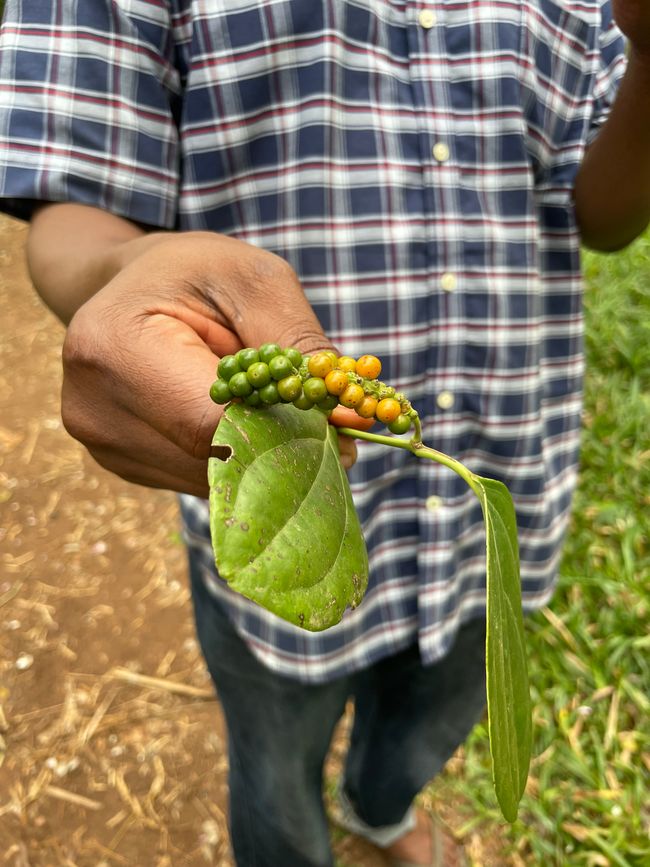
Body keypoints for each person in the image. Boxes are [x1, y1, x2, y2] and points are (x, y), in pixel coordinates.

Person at [0, 2, 648, 865]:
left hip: (503, 472)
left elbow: (604, 214)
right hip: (277, 501)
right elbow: (74, 203)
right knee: (274, 754)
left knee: (435, 712)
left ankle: (379, 810)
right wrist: (120, 273)